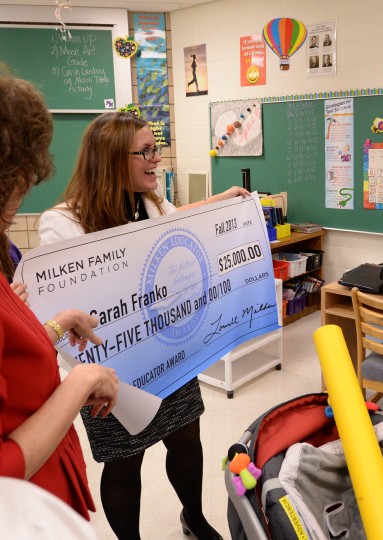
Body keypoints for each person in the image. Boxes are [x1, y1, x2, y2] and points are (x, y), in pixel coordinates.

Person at [38, 112, 249, 540]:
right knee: (124, 462)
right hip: (110, 372)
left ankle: (194, 517)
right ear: (113, 159)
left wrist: (221, 201)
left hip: (168, 354)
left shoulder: (151, 201)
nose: (157, 159)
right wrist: (84, 378)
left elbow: (179, 220)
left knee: (187, 440)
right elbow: (58, 310)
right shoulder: (63, 222)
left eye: (156, 149)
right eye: (146, 152)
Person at [0, 73, 119, 520]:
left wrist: (55, 324)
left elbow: (11, 356)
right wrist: (81, 382)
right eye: (19, 180)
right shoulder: (60, 221)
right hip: (27, 508)